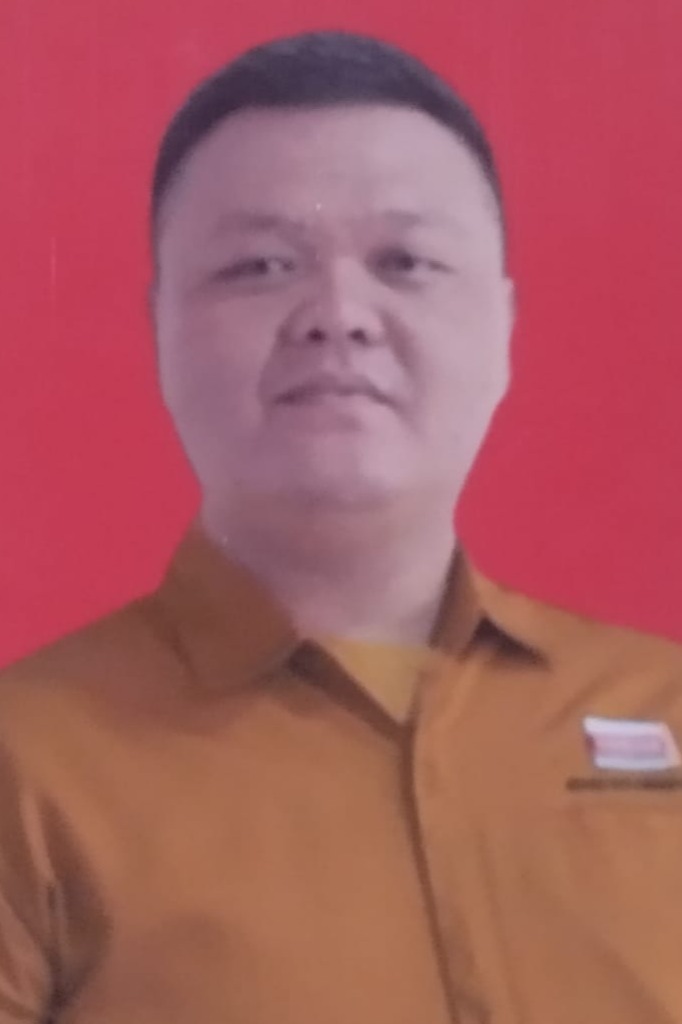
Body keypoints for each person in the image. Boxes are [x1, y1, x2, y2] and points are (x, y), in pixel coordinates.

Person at [1, 29, 681, 1024]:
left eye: (405, 261)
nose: (338, 314)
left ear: (504, 327)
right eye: (261, 265)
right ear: (159, 327)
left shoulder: (663, 705)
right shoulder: (27, 761)